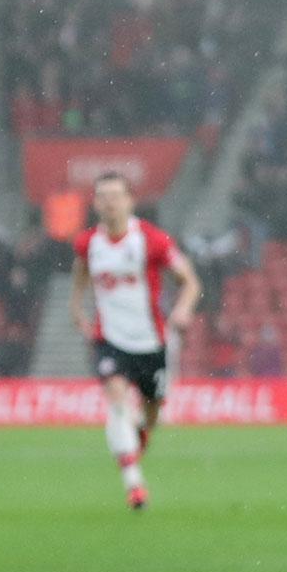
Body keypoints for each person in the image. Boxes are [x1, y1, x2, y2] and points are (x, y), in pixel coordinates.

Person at [69, 171, 200, 510]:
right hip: (110, 339)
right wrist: (76, 307)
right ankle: (134, 485)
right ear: (95, 203)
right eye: (103, 196)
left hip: (151, 341)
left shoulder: (152, 240)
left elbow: (190, 282)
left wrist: (183, 309)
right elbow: (81, 270)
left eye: (116, 195)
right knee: (115, 398)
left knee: (152, 410)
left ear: (130, 200)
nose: (109, 202)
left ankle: (140, 434)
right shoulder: (88, 242)